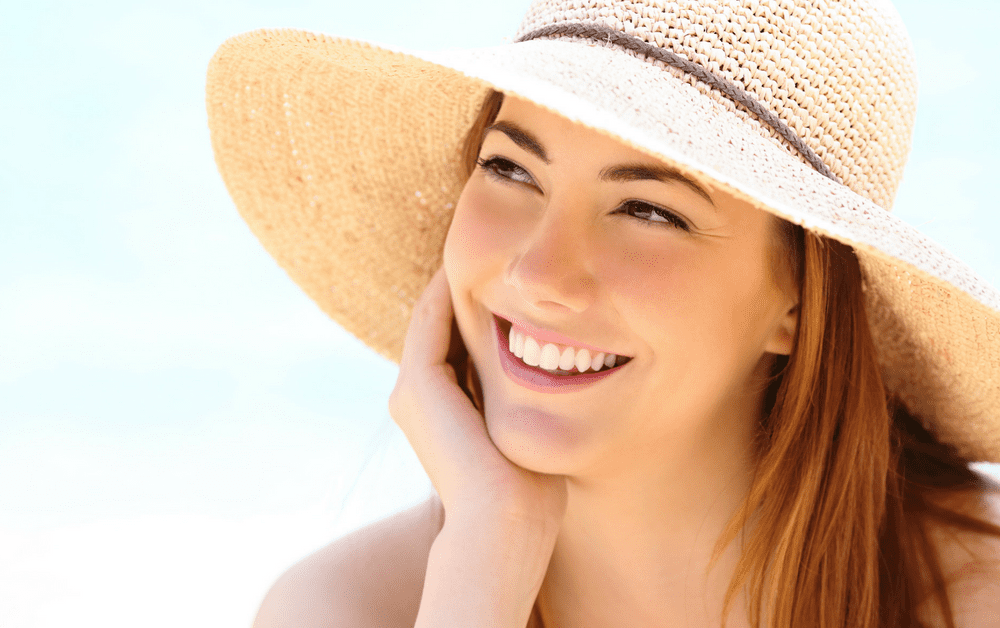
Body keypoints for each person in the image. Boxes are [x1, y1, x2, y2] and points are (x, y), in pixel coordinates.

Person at [207, 0, 1000, 625]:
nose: (542, 274)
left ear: (796, 305)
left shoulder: (972, 593)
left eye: (649, 211)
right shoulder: (349, 611)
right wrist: (483, 561)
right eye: (512, 168)